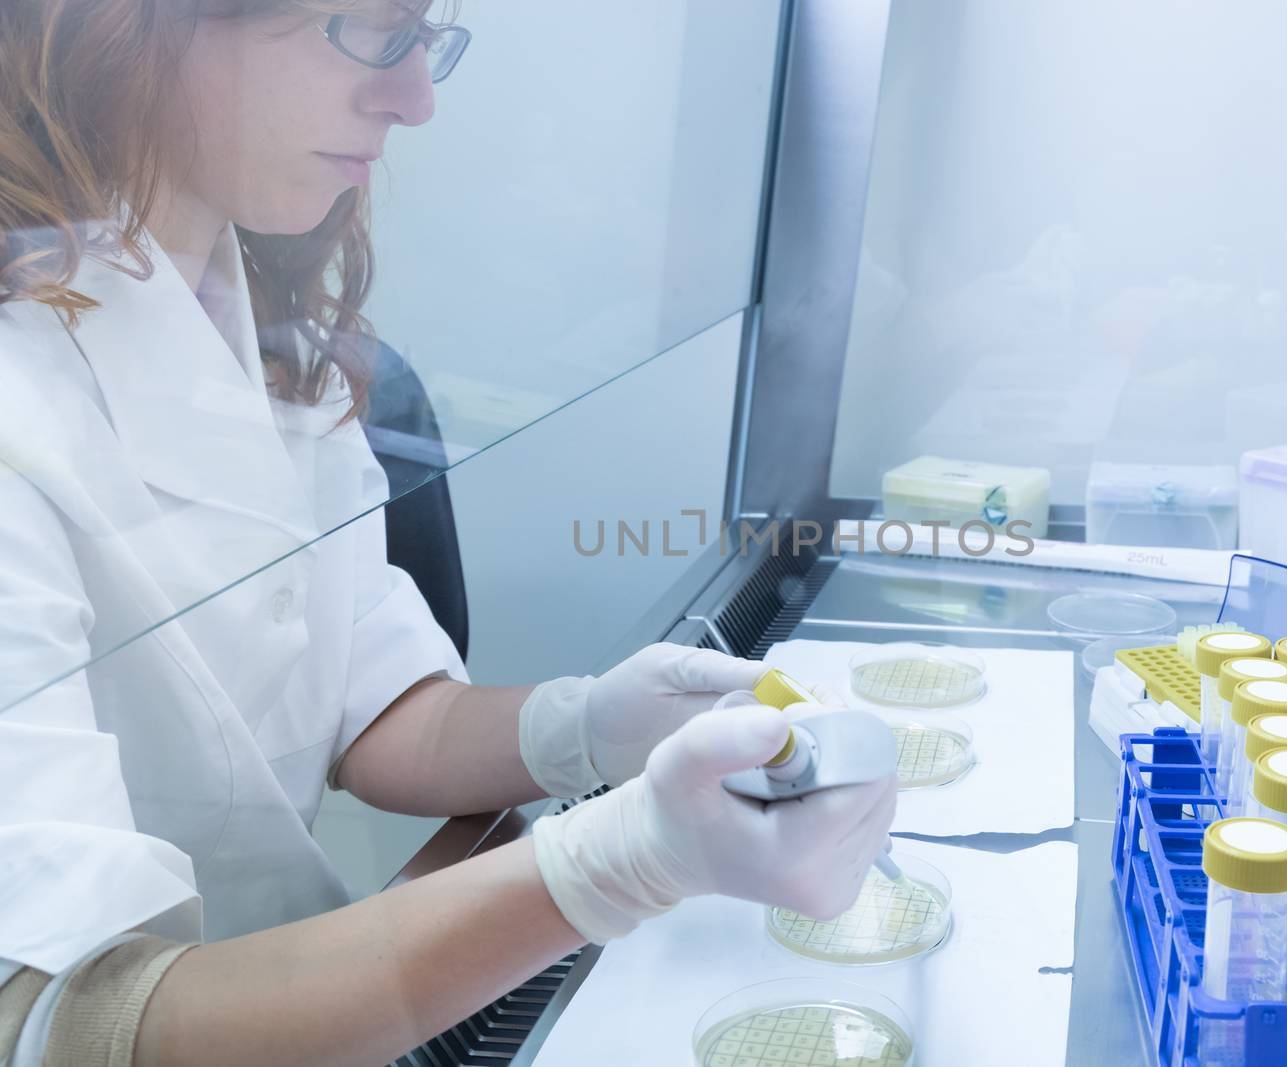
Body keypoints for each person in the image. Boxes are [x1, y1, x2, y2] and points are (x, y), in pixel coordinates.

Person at [0, 3, 897, 1065]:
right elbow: (66, 1024)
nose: (415, 98)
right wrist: (612, 863)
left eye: (425, 37)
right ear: (133, 22)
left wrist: (596, 726)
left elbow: (377, 718)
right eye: (373, 29)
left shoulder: (275, 342)